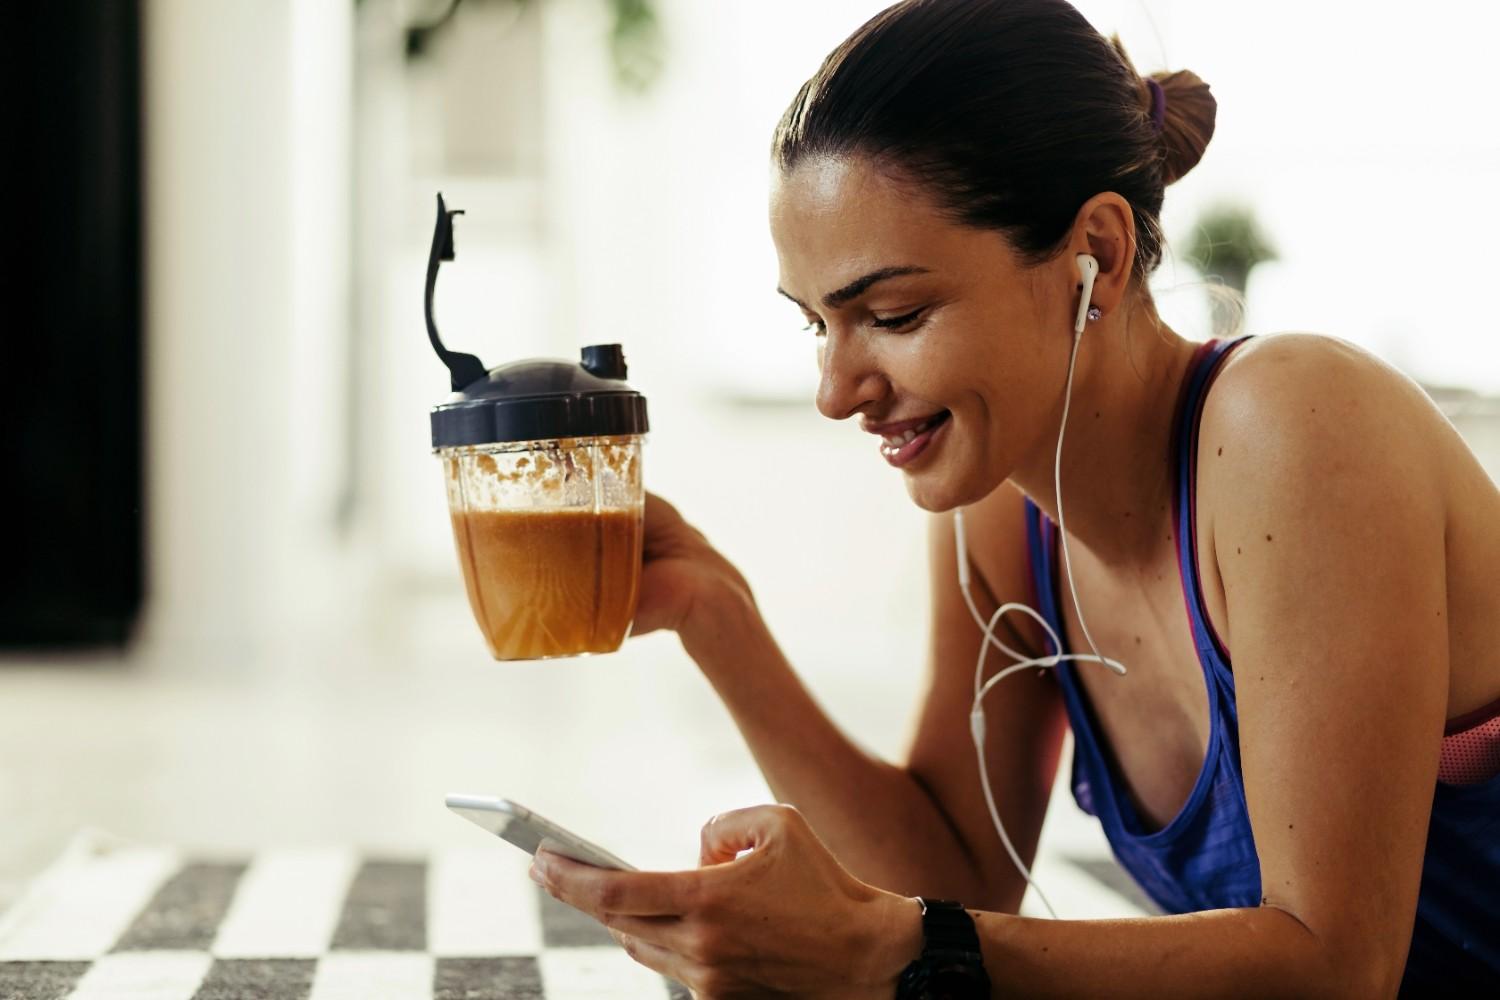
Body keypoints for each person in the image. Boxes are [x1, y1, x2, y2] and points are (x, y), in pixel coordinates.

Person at [529, 0, 1500, 994]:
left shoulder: (1296, 428)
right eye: (818, 324)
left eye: (894, 312)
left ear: (1101, 255)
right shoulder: (1005, 512)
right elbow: (954, 876)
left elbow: (1337, 966)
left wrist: (880, 950)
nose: (835, 390)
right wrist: (713, 613)